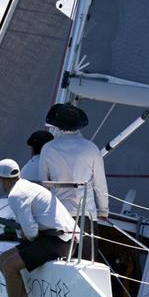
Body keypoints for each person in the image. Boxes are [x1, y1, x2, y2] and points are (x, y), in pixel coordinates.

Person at [0, 158, 76, 297]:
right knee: (2, 259)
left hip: (60, 239)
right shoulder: (25, 186)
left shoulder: (16, 195)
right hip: (57, 235)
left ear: (2, 179)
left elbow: (30, 231)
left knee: (10, 265)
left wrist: (27, 238)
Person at [38, 103, 108, 258]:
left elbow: (43, 184)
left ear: (57, 125)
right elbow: (100, 184)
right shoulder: (91, 148)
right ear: (78, 125)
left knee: (56, 260)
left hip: (58, 214)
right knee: (85, 262)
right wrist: (104, 210)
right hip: (86, 215)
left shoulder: (48, 148)